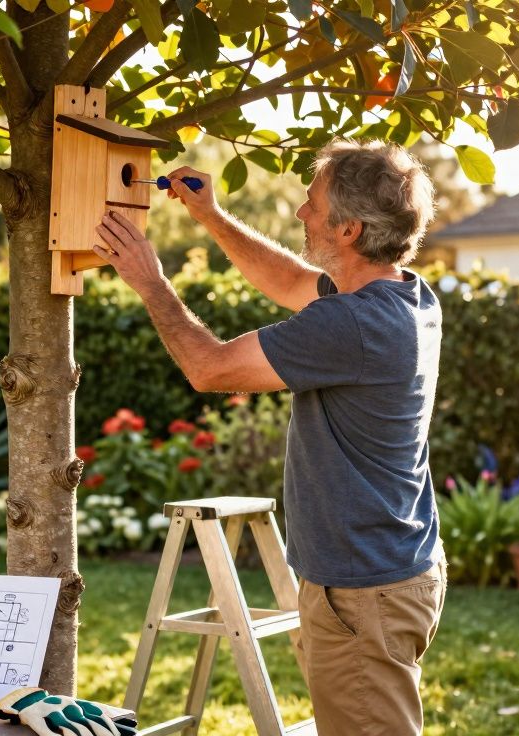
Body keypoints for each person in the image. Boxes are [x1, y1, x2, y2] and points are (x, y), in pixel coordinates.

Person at [93, 139, 446, 735]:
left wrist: (150, 282)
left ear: (350, 230)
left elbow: (209, 369)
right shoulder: (404, 295)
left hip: (363, 590)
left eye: (313, 204)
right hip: (380, 575)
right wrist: (211, 216)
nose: (301, 213)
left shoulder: (352, 323)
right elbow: (289, 281)